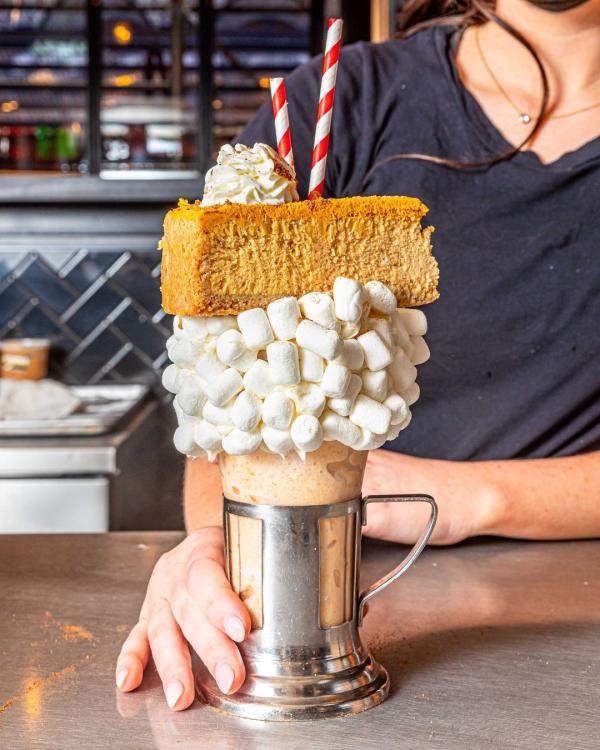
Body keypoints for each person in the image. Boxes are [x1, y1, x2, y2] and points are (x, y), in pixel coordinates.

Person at [115, 0, 600, 711]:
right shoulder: (340, 104)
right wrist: (215, 549)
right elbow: (228, 375)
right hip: (307, 608)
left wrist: (460, 497)